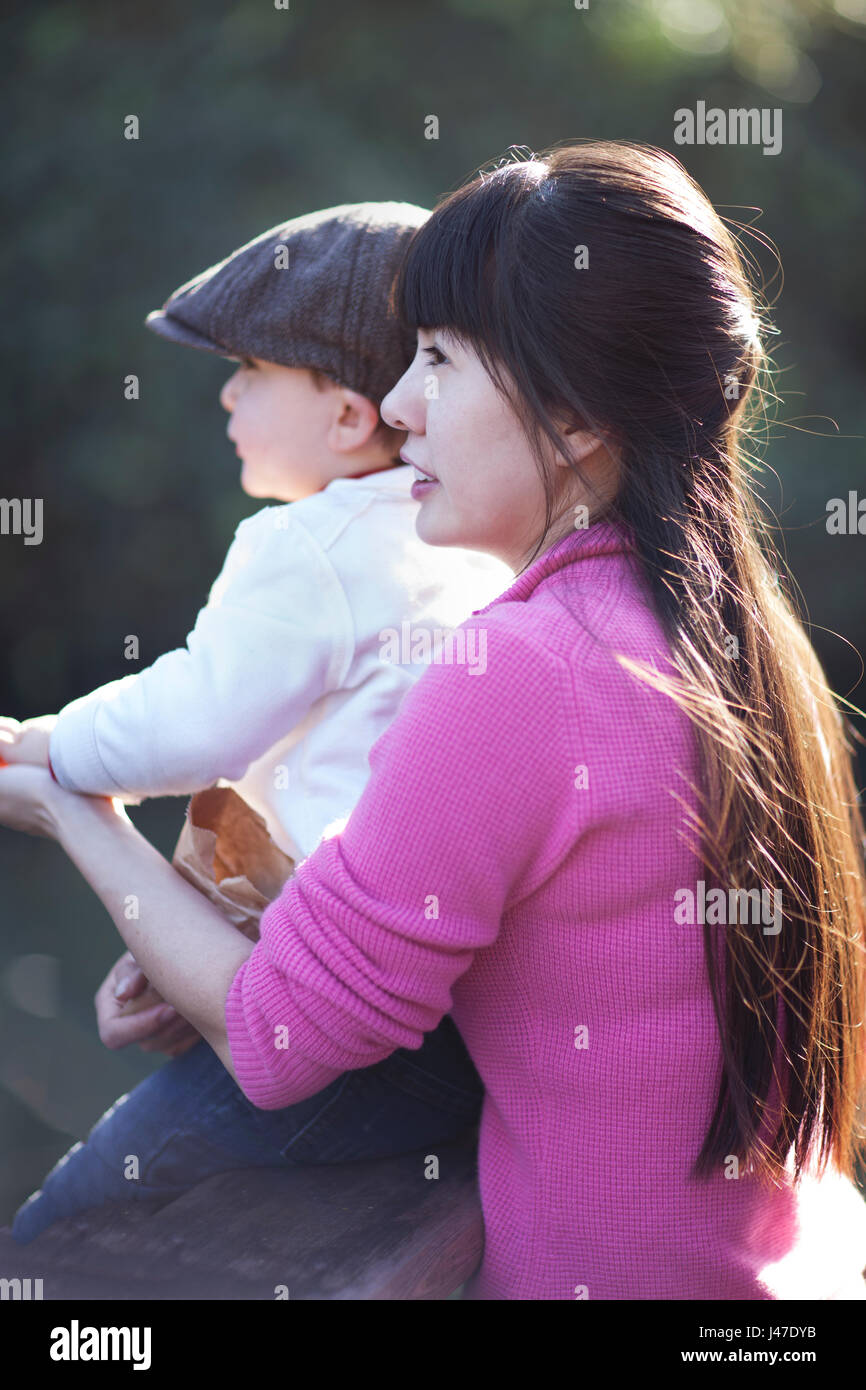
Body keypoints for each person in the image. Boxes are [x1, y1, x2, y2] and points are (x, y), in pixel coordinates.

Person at [2, 140, 865, 1299]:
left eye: (441, 361)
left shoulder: (520, 668)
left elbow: (278, 1041)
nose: (402, 409)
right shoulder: (726, 632)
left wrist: (73, 812)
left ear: (569, 417)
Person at [0, 201, 510, 1243]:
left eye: (252, 371)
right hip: (435, 1030)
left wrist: (50, 742)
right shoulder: (460, 533)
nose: (226, 394)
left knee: (68, 1231)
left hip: (320, 1028)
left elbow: (195, 718)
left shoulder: (307, 543)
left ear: (345, 418)